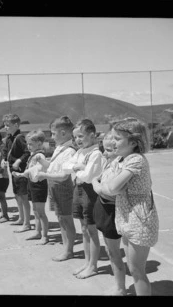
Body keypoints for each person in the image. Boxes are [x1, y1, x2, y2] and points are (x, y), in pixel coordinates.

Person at [98, 117, 159, 296]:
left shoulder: (135, 160)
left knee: (137, 270)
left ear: (133, 142)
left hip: (139, 219)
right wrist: (106, 185)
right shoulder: (121, 160)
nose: (112, 142)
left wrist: (106, 186)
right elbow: (107, 184)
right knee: (133, 268)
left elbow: (112, 188)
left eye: (117, 139)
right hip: (125, 216)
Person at [62, 119, 103, 279]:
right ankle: (87, 263)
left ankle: (93, 266)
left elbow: (87, 177)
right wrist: (76, 167)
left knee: (91, 230)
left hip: (89, 193)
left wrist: (76, 169)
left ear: (92, 135)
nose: (77, 140)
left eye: (81, 136)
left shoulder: (96, 153)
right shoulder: (80, 153)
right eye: (75, 137)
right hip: (78, 191)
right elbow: (65, 167)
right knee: (84, 229)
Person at [36, 116, 77, 261]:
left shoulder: (70, 151)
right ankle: (66, 247)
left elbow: (64, 176)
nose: (52, 137)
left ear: (64, 133)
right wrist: (41, 161)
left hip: (63, 188)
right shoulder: (60, 149)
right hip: (54, 186)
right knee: (60, 219)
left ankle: (69, 250)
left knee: (66, 219)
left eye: (54, 133)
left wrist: (45, 175)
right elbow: (52, 168)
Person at [92, 132, 126, 295]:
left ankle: (120, 288)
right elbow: (97, 179)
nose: (104, 153)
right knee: (110, 250)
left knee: (113, 251)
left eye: (108, 150)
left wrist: (97, 186)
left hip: (112, 209)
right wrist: (97, 183)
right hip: (104, 208)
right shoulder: (109, 163)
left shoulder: (121, 166)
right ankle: (119, 285)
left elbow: (107, 189)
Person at [12, 130, 49, 244]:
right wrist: (23, 174)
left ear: (39, 143)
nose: (28, 146)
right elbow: (32, 170)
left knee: (41, 212)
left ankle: (44, 236)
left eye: (31, 144)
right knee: (35, 210)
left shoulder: (39, 155)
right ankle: (37, 232)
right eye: (27, 144)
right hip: (32, 184)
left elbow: (44, 167)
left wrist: (23, 173)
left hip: (39, 185)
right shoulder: (33, 155)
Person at [1, 114, 31, 233]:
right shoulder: (9, 138)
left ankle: (27, 222)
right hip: (13, 170)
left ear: (16, 125)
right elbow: (6, 151)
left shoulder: (19, 138)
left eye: (8, 125)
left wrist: (19, 160)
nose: (5, 127)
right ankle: (21, 218)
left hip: (21, 171)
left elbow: (27, 152)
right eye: (5, 125)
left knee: (23, 196)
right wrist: (4, 159)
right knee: (17, 195)